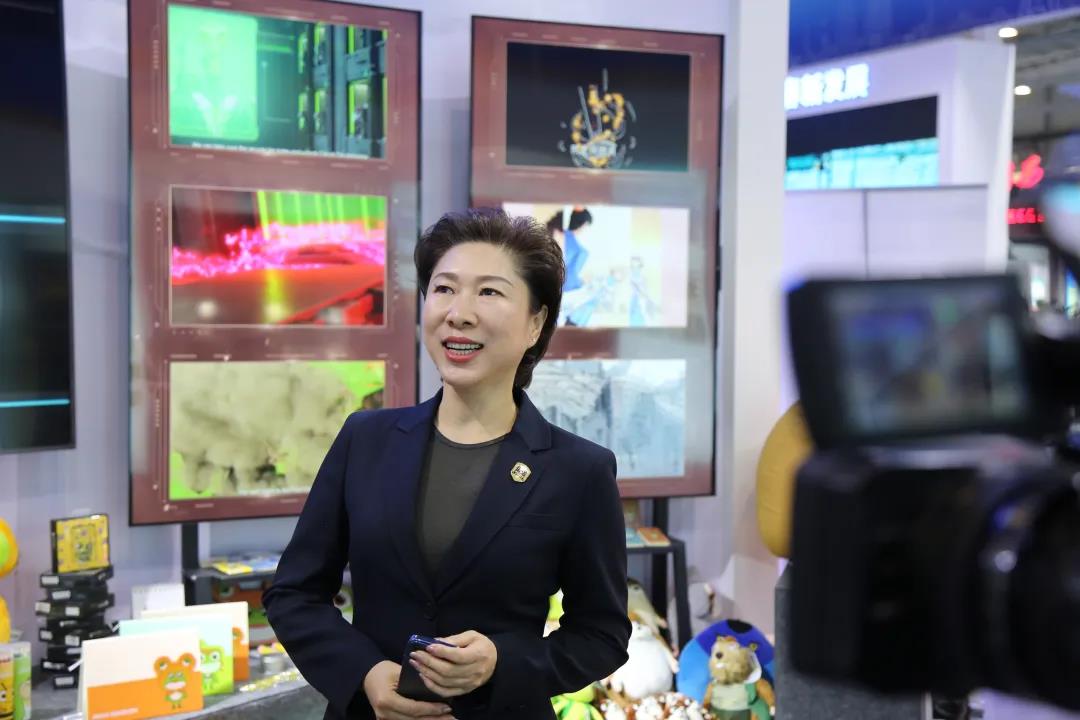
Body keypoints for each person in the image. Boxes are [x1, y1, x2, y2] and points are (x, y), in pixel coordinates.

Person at [264, 208, 631, 720]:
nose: (459, 313)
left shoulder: (578, 469)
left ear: (536, 323)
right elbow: (294, 594)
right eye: (444, 289)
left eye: (489, 292)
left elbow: (602, 633)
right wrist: (365, 673)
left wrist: (502, 662)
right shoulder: (365, 439)